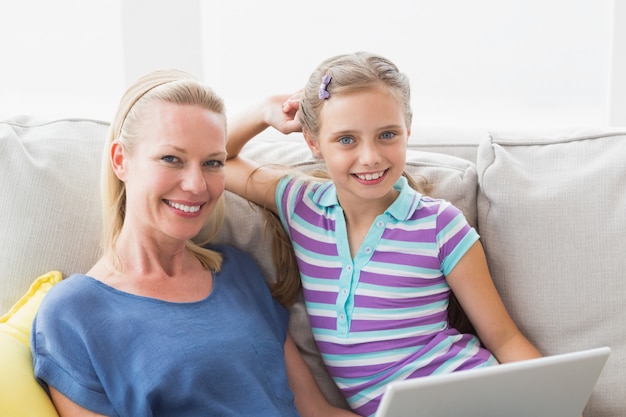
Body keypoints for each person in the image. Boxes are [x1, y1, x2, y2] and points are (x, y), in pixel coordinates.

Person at [224, 52, 543, 417]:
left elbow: (504, 338)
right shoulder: (302, 205)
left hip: (476, 396)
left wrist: (557, 405)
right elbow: (216, 158)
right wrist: (265, 110)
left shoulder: (439, 225)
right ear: (313, 143)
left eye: (387, 135)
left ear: (408, 129)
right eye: (346, 140)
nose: (371, 157)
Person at [31, 69, 358, 417]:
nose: (196, 185)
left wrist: (264, 110)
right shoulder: (73, 313)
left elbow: (316, 411)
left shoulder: (238, 273)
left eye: (212, 163)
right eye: (171, 158)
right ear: (120, 160)